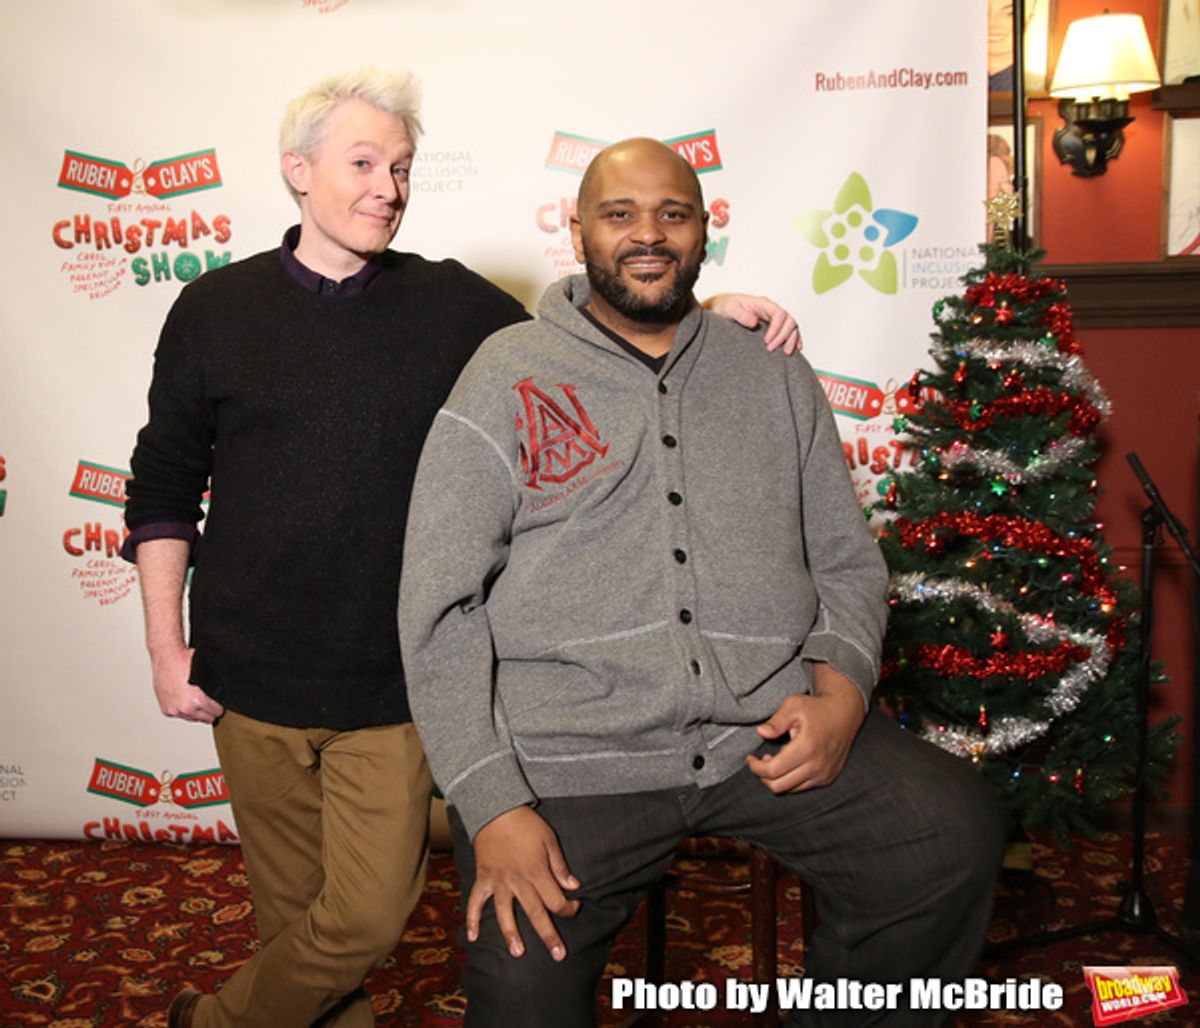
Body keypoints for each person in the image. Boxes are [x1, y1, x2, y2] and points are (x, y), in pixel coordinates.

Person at [123, 70, 804, 1028]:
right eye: (363, 163)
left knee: (360, 921)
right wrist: (165, 645)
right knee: (294, 935)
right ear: (297, 172)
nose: (388, 188)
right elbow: (160, 491)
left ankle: (208, 1022)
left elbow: (592, 338)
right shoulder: (212, 311)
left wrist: (701, 313)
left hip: (390, 684)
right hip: (247, 676)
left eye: (400, 167)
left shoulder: (454, 307)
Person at [399, 137, 1005, 1027]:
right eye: (620, 214)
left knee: (946, 836)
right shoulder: (506, 374)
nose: (648, 234)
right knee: (521, 980)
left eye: (673, 213)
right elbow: (438, 609)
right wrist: (491, 807)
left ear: (704, 232)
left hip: (760, 733)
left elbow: (844, 557)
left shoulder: (770, 367)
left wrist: (840, 698)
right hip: (574, 760)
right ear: (577, 234)